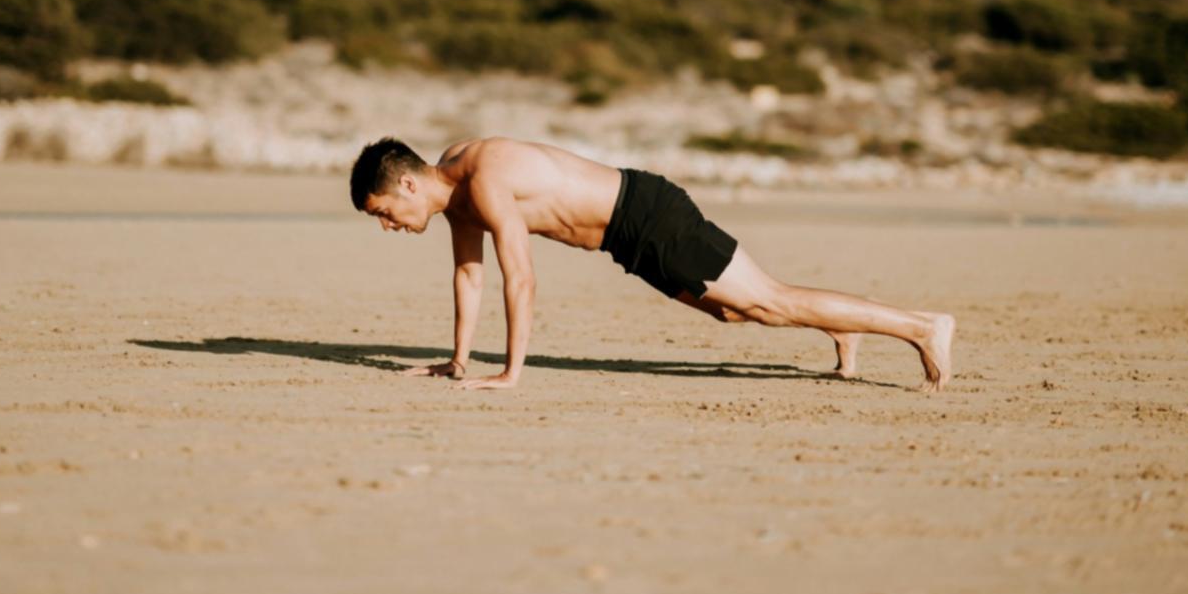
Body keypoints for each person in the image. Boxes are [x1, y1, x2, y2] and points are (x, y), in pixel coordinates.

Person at [350, 136, 955, 392]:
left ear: (406, 183)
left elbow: (521, 277)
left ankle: (923, 327)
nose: (386, 226)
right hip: (624, 237)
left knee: (767, 300)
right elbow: (469, 274)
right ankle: (840, 323)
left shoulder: (482, 179)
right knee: (737, 314)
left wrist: (511, 373)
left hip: (646, 212)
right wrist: (458, 361)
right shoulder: (454, 191)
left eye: (383, 211)